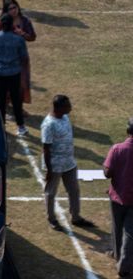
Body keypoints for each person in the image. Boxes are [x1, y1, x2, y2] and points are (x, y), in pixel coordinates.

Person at [41, 95, 94, 230]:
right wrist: (49, 169)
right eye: (67, 105)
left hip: (69, 163)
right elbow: (46, 148)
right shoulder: (49, 124)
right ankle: (51, 219)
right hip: (55, 165)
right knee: (51, 193)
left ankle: (76, 217)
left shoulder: (65, 117)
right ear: (59, 108)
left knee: (74, 190)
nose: (70, 107)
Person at [0, 13, 28, 136]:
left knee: (0, 99)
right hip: (13, 72)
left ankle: (2, 125)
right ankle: (20, 126)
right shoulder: (18, 39)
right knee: (16, 99)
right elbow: (24, 57)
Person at [105, 119, 133, 279]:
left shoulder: (117, 149)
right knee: (130, 232)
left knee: (117, 227)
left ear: (127, 131)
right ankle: (124, 266)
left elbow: (107, 173)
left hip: (117, 196)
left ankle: (118, 257)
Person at [0, 0, 36, 109]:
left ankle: (18, 107)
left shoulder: (25, 21)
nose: (14, 10)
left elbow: (32, 37)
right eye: (11, 9)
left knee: (22, 83)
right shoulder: (2, 22)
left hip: (21, 57)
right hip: (6, 57)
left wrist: (22, 33)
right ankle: (4, 105)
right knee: (7, 83)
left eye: (15, 7)